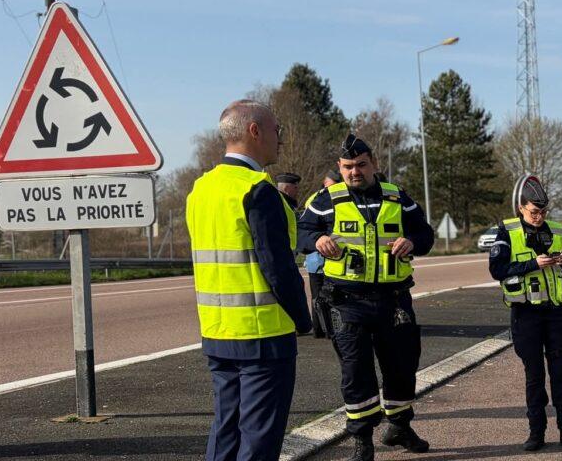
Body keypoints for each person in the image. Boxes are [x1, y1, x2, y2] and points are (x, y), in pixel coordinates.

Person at [185, 99, 312, 461]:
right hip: (263, 336)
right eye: (276, 130)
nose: (280, 138)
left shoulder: (200, 190)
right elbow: (278, 267)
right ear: (254, 131)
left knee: (225, 430)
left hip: (217, 332)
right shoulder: (257, 190)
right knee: (258, 440)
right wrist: (303, 320)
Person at [298, 134, 434, 460]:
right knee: (356, 372)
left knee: (401, 367)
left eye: (360, 164)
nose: (354, 171)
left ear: (373, 163)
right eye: (347, 166)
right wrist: (316, 239)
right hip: (347, 301)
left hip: (394, 299)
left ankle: (400, 426)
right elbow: (300, 232)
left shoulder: (397, 196)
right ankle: (362, 439)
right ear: (340, 168)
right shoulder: (325, 198)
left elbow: (425, 233)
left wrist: (412, 241)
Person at [488, 175, 562, 452]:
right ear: (521, 208)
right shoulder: (506, 232)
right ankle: (536, 434)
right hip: (526, 315)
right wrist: (532, 264)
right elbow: (497, 270)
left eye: (543, 212)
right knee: (534, 378)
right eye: (534, 212)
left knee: (560, 377)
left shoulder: (557, 230)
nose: (539, 217)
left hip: (557, 314)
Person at [302, 170, 341, 340]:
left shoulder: (314, 198)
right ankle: (326, 330)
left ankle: (320, 329)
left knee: (318, 296)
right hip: (320, 256)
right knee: (324, 296)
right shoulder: (321, 199)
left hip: (315, 258)